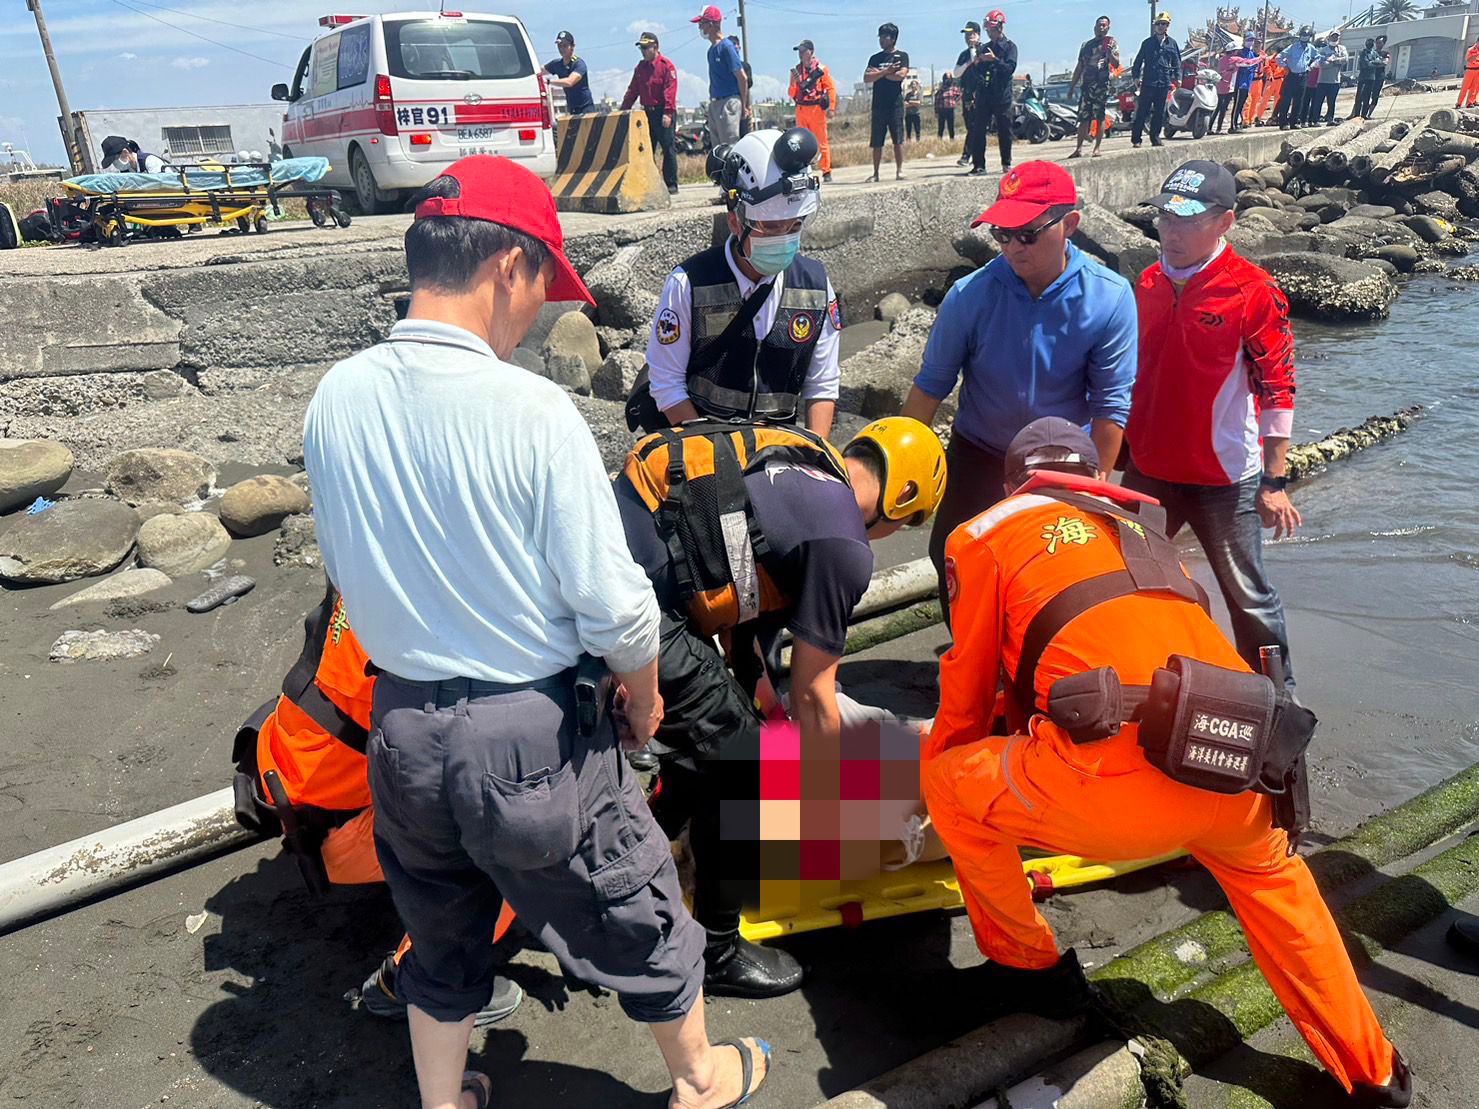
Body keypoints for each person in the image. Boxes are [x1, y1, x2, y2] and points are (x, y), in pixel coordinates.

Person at [303, 154, 771, 1109]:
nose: (538, 315)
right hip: (524, 733)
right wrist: (642, 698)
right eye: (541, 290)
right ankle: (700, 1076)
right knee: (631, 897)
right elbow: (611, 601)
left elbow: (348, 578)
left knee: (439, 927)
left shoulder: (335, 398)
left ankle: (443, 1101)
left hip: (401, 727)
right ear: (506, 268)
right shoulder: (530, 409)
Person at [920, 415, 1414, 1109]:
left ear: (1011, 484)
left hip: (1108, 792)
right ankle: (1375, 1072)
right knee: (1280, 892)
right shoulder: (1147, 532)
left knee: (945, 779)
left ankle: (1028, 972)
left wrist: (963, 768)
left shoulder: (980, 533)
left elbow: (965, 692)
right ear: (1093, 478)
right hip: (1230, 764)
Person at [615, 415, 947, 997]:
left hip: (625, 548)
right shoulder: (845, 546)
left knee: (715, 732)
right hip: (635, 601)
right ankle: (716, 951)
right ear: (904, 502)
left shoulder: (807, 461)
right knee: (743, 760)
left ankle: (643, 848)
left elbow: (752, 629)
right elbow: (815, 693)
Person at [228, 584, 524, 1028]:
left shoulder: (371, 563)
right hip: (334, 828)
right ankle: (411, 979)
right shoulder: (430, 627)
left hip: (286, 772)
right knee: (514, 840)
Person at [900, 161, 1137, 622]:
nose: (1012, 247)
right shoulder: (970, 295)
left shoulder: (1109, 298)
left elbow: (1111, 405)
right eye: (1001, 234)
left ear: (1069, 224)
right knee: (948, 554)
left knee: (1052, 570)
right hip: (980, 450)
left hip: (1061, 460)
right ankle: (970, 651)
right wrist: (897, 464)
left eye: (1027, 233)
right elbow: (930, 387)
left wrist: (1100, 482)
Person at [1123, 161, 1301, 688]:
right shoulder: (1147, 282)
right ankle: (1134, 676)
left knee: (1247, 594)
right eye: (1163, 219)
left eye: (1186, 221)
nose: (1170, 232)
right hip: (1149, 470)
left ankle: (1279, 698)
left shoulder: (1253, 291)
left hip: (1225, 479)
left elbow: (1278, 387)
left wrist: (1274, 480)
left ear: (1225, 222)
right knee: (1126, 578)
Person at [642, 128, 839, 438]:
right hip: (701, 445)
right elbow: (667, 384)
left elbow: (822, 385)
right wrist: (717, 460)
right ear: (735, 221)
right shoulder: (689, 285)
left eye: (796, 225)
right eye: (771, 227)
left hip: (779, 450)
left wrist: (817, 455)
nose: (785, 237)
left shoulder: (815, 287)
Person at [621, 32, 681, 196]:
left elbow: (670, 91)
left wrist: (668, 113)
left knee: (668, 148)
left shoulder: (666, 66)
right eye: (641, 48)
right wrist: (623, 110)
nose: (643, 51)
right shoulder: (640, 68)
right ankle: (653, 183)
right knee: (647, 150)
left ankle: (671, 184)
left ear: (656, 47)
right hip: (647, 113)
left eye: (646, 47)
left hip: (663, 111)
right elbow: (633, 90)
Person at [962, 10, 1017, 177]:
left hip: (1002, 95)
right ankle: (979, 165)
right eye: (987, 30)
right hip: (984, 95)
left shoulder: (1010, 47)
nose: (989, 32)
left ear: (999, 27)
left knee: (1004, 130)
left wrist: (994, 60)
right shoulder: (984, 48)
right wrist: (978, 62)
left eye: (991, 29)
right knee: (978, 129)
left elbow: (1009, 69)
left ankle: (1006, 163)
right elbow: (976, 72)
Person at [694, 5, 749, 148]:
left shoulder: (727, 47)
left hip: (729, 101)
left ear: (712, 24)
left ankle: (732, 171)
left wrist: (743, 105)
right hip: (715, 102)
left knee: (730, 146)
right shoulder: (711, 50)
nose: (700, 28)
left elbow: (742, 77)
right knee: (718, 149)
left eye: (702, 24)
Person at [1067, 15, 1120, 159]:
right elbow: (1079, 67)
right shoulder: (1086, 45)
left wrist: (1109, 52)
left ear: (1108, 28)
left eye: (1104, 25)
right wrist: (1072, 87)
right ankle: (1078, 149)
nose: (1101, 28)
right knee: (1083, 118)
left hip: (1101, 86)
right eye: (1098, 25)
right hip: (1086, 86)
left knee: (1100, 117)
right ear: (1094, 27)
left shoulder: (1112, 43)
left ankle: (1097, 148)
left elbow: (1116, 64)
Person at [865, 23, 911, 182]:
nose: (881, 40)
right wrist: (886, 72)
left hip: (895, 104)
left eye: (885, 37)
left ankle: (899, 170)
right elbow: (867, 78)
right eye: (880, 37)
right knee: (877, 140)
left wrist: (879, 74)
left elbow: (900, 75)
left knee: (897, 138)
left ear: (893, 38)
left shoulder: (901, 56)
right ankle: (876, 173)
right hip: (878, 104)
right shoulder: (875, 58)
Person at [1130, 12, 1180, 148]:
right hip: (1148, 82)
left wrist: (1178, 77)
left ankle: (1155, 138)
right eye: (1158, 24)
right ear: (1154, 26)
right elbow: (1138, 62)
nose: (1160, 26)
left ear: (1167, 26)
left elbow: (1177, 62)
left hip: (1164, 82)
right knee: (1143, 111)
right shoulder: (1147, 43)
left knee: (1160, 112)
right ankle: (1136, 139)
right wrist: (1136, 77)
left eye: (1163, 24)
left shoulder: (1172, 43)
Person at [789, 40, 837, 182]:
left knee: (822, 142)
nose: (800, 54)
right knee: (800, 142)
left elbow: (830, 88)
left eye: (803, 51)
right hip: (801, 108)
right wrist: (793, 84)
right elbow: (792, 93)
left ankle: (826, 171)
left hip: (816, 109)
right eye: (799, 52)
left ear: (810, 52)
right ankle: (803, 170)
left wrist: (831, 107)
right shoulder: (796, 71)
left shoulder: (821, 69)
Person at [954, 22, 987, 167]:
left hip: (982, 94)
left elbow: (980, 65)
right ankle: (971, 155)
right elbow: (956, 72)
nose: (968, 37)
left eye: (971, 34)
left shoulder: (985, 49)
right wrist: (968, 63)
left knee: (977, 126)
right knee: (971, 126)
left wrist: (975, 50)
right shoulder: (963, 55)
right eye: (967, 35)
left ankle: (968, 155)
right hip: (968, 95)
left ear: (978, 34)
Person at [1273, 29, 1317, 130]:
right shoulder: (1293, 47)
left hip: (1303, 76)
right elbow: (1279, 57)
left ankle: (1294, 122)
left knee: (1299, 101)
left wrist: (1312, 65)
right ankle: (1283, 123)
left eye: (1306, 35)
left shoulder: (1310, 48)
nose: (1304, 37)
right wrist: (1285, 66)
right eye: (1303, 35)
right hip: (1291, 76)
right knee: (1286, 100)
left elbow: (1318, 57)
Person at [543, 31, 593, 117]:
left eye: (565, 46)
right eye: (559, 46)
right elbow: (538, 71)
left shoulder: (578, 64)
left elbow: (570, 82)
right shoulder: (557, 64)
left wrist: (548, 82)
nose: (562, 49)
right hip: (572, 109)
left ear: (572, 47)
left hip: (586, 109)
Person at [1313, 31, 1348, 126]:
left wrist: (1333, 60)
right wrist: (1334, 62)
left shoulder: (1342, 48)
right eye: (1333, 37)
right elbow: (1322, 64)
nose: (1335, 39)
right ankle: (1315, 120)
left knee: (1331, 102)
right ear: (1329, 38)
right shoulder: (1323, 50)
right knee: (1318, 101)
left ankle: (1330, 119)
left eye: (1336, 37)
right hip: (1323, 80)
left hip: (1335, 81)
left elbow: (1345, 59)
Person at [1353, 36, 1390, 119]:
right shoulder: (1363, 53)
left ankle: (1365, 115)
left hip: (1374, 78)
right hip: (1363, 77)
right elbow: (1366, 64)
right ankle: (1356, 114)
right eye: (1368, 43)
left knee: (1369, 97)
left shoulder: (1377, 53)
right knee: (1360, 97)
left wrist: (1374, 62)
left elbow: (1383, 62)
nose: (1376, 44)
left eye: (1372, 43)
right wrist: (1376, 63)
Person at [729, 35, 756, 135]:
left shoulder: (745, 66)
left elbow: (748, 84)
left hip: (743, 106)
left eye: (735, 45)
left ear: (739, 47)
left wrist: (747, 106)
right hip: (730, 106)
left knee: (745, 135)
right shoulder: (725, 67)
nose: (733, 47)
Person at [100, 135, 165, 173]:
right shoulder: (126, 172)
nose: (115, 163)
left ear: (125, 152)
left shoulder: (150, 161)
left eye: (115, 159)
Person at [935, 73, 961, 140]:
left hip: (950, 110)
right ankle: (939, 140)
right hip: (942, 110)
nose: (948, 80)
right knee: (941, 127)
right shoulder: (940, 90)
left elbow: (959, 95)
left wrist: (955, 101)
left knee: (951, 126)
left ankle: (952, 139)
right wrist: (936, 111)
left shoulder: (954, 89)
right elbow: (937, 101)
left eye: (949, 79)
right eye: (946, 79)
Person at [1459, 34, 1479, 109]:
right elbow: (1468, 59)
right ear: (1477, 42)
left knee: (1475, 88)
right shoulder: (1471, 49)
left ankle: (1470, 102)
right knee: (1465, 87)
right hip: (1470, 71)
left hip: (1478, 71)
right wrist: (1477, 54)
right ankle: (1459, 103)